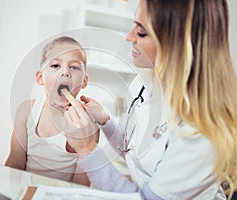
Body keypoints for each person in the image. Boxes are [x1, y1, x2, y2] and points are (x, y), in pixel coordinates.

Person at [63, 0, 237, 199]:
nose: (129, 37)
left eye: (142, 32)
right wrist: (104, 121)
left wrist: (87, 150)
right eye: (134, 24)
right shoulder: (145, 83)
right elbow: (136, 152)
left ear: (179, 43)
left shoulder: (202, 129)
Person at [5, 36, 98, 186]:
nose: (65, 72)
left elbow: (81, 183)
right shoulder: (26, 111)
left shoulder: (87, 124)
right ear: (40, 77)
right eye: (55, 65)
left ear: (84, 81)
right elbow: (15, 162)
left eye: (74, 67)